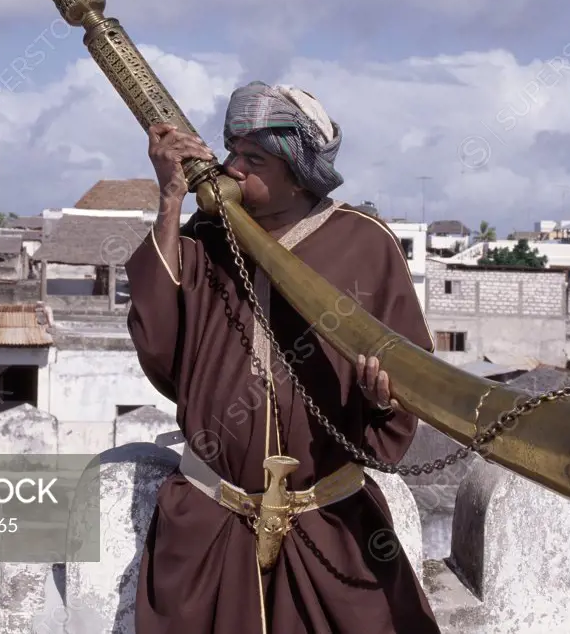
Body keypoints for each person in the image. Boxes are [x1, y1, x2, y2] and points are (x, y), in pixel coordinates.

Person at [125, 81, 441, 634]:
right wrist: (170, 201)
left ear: (298, 172)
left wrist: (380, 398)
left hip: (331, 525)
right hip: (211, 517)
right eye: (232, 151)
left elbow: (409, 375)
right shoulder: (204, 236)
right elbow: (159, 344)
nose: (232, 167)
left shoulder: (364, 243)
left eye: (255, 158)